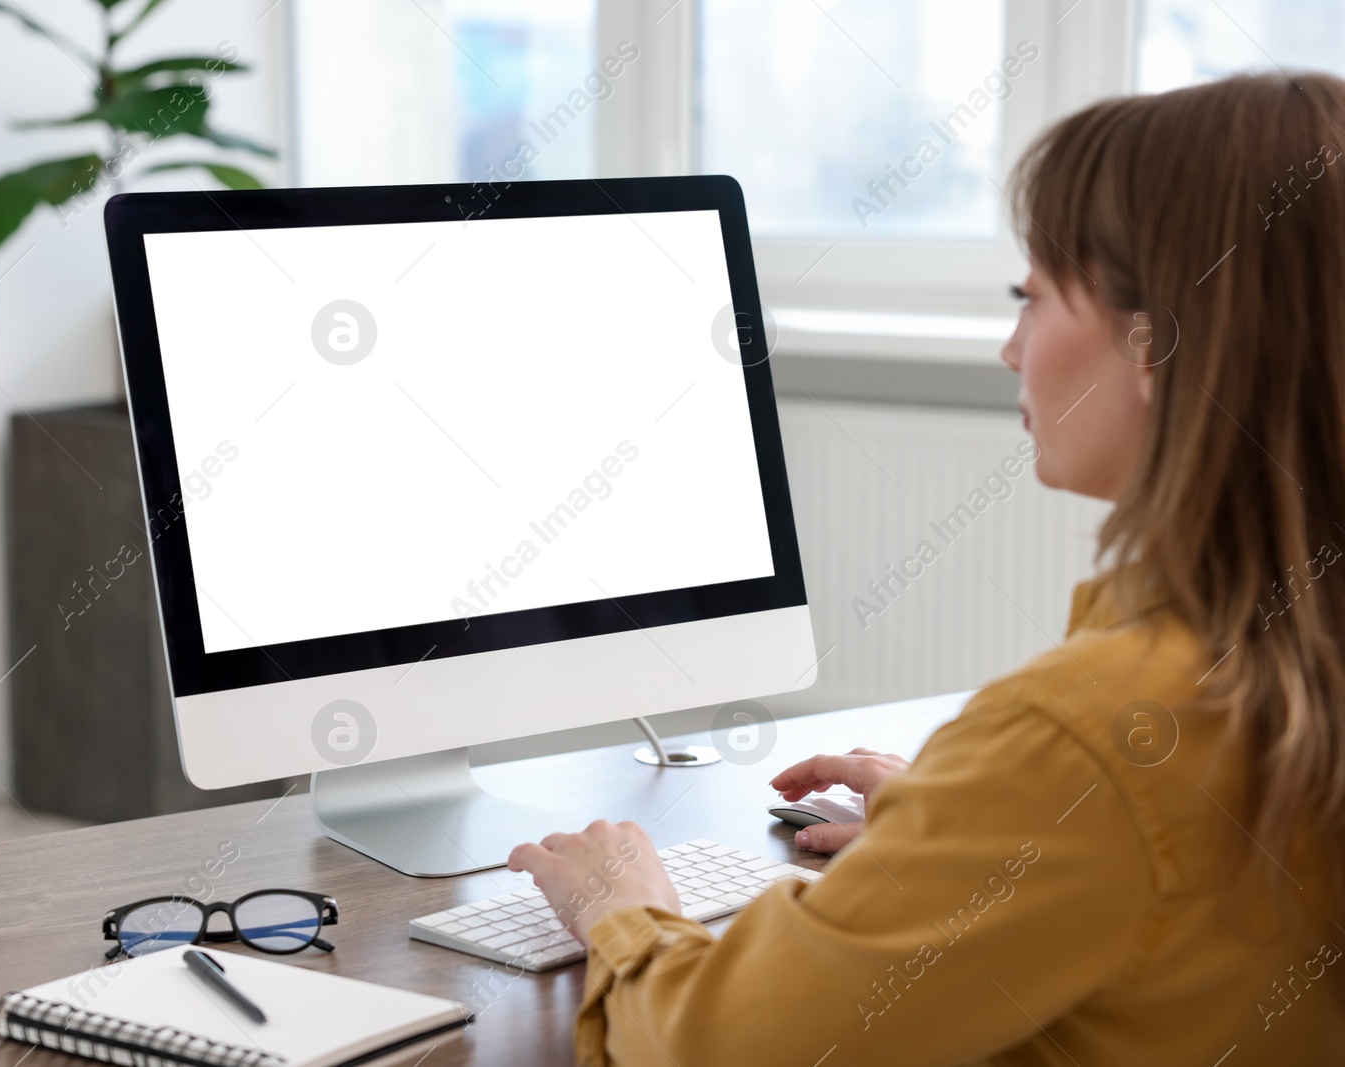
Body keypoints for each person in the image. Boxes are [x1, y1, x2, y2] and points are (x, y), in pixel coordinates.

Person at [510, 71, 1345, 1066]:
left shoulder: (1089, 735)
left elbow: (719, 1049)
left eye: (1030, 297)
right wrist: (964, 831)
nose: (1007, 348)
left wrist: (620, 907)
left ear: (1154, 343)